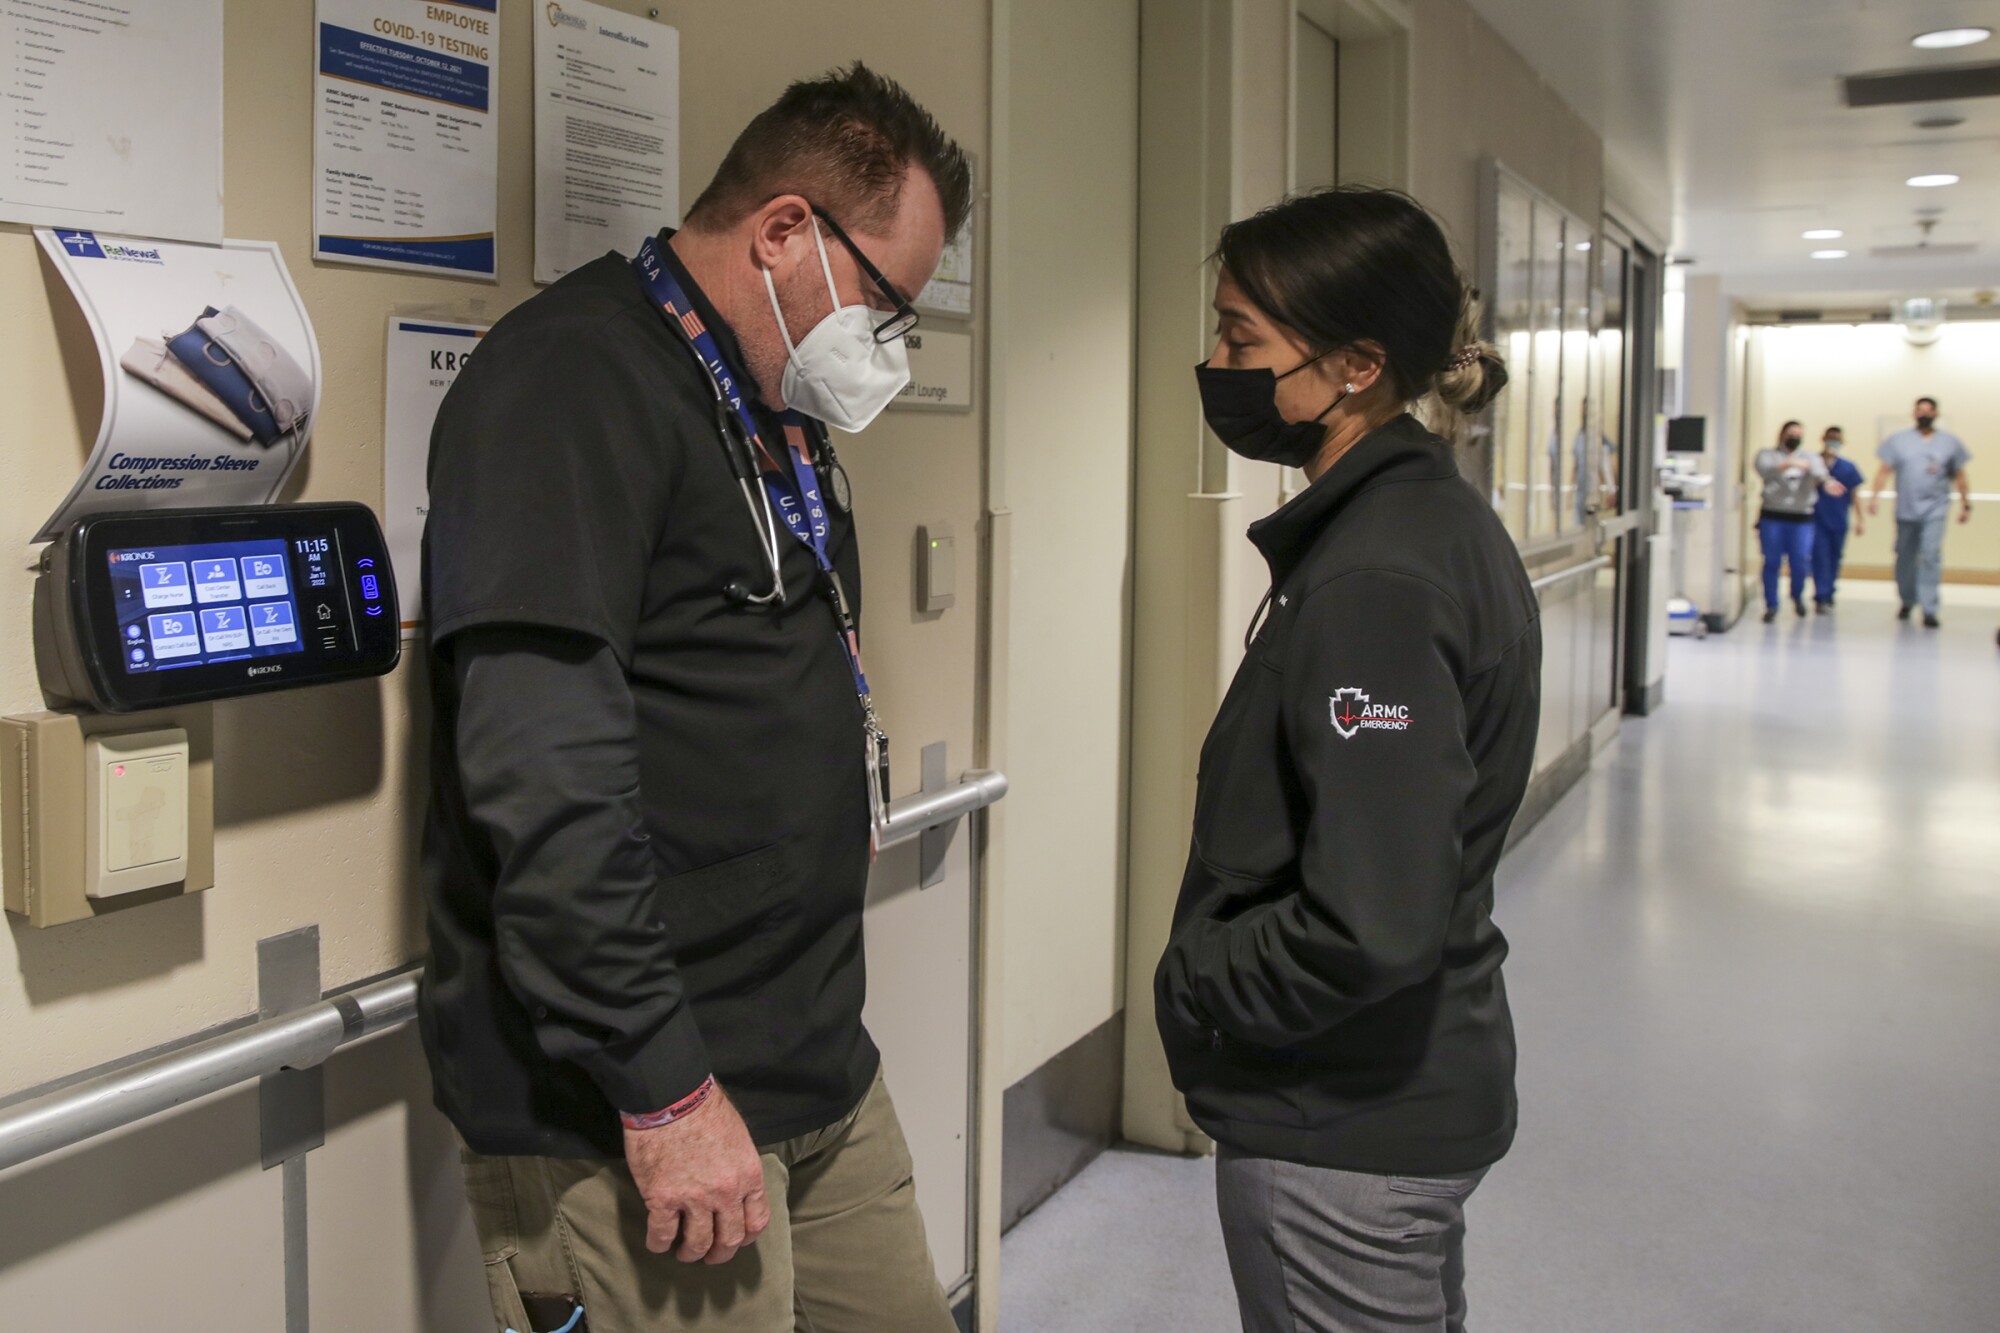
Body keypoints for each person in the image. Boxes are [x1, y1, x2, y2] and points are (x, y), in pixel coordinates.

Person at [417, 64, 971, 1332]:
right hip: (635, 1106)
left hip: (813, 1060)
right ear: (783, 231)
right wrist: (662, 1087)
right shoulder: (567, 384)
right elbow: (542, 772)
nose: (887, 342)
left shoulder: (767, 407)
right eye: (886, 303)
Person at [1155, 187, 1540, 1333]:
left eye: (1241, 339)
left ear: (1356, 364)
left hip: (1340, 1129)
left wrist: (1198, 980)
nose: (1216, 362)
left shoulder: (1379, 574)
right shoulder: (1414, 522)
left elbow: (1368, 921)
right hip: (1395, 1094)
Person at [1869, 396, 1973, 628]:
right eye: (1920, 410)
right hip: (1906, 510)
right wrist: (1874, 497)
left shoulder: (1949, 443)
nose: (1924, 414)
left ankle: (1929, 608)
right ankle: (1907, 600)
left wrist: (1966, 503)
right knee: (1905, 557)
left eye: (1928, 410)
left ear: (1936, 414)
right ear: (1913, 414)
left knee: (1930, 555)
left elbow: (1960, 475)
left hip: (1936, 509)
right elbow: (1883, 471)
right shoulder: (1898, 441)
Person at [1753, 420, 1829, 623]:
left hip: (1802, 518)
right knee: (1772, 562)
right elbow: (1764, 469)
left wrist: (1805, 466)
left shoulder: (1810, 457)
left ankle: (1797, 596)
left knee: (1800, 561)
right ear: (1782, 434)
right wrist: (1787, 464)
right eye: (1791, 433)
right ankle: (1771, 604)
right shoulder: (1767, 454)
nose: (1794, 437)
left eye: (1798, 434)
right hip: (1773, 516)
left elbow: (1821, 474)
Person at [1811, 425, 1865, 611]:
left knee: (1835, 557)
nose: (1833, 442)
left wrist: (1860, 520)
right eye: (1830, 438)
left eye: (1837, 439)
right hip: (1816, 520)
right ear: (1823, 439)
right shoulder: (1813, 463)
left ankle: (1830, 591)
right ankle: (1821, 595)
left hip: (1839, 519)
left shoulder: (1848, 467)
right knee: (1820, 557)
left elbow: (1854, 495)